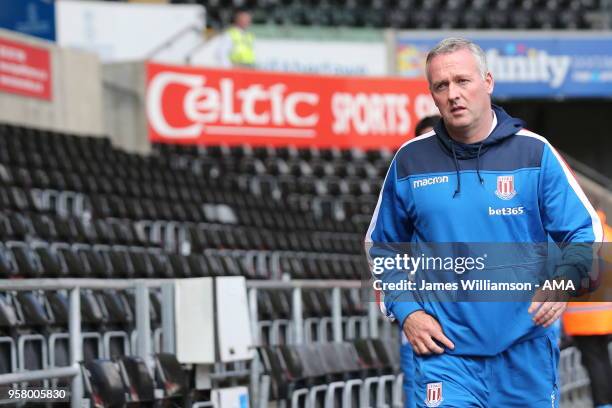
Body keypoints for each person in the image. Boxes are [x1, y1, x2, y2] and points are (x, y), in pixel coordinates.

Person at [366, 37, 603, 407]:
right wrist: (407, 309)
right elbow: (383, 246)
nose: (453, 94)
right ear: (432, 94)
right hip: (445, 357)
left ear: (487, 82)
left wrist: (562, 281)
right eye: (441, 86)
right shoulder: (410, 161)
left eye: (463, 81)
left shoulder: (535, 152)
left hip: (524, 353)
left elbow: (585, 231)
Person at [399, 114, 441, 408]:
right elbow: (383, 251)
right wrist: (406, 310)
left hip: (462, 326)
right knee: (418, 390)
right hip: (417, 320)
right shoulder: (405, 188)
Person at [562, 210, 612, 408]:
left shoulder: (574, 235)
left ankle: (603, 403)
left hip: (582, 317)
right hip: (606, 315)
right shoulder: (607, 233)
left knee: (593, 363)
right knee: (603, 359)